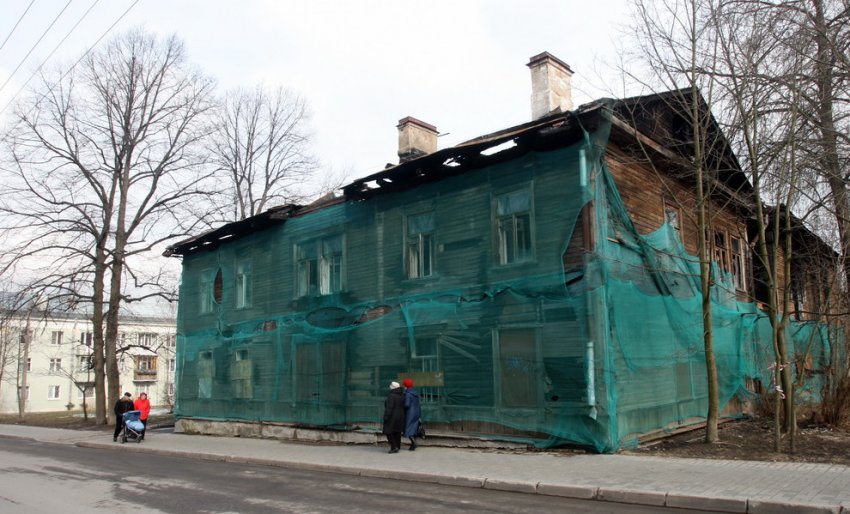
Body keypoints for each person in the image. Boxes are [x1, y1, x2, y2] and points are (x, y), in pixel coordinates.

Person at [382, 381, 405, 453]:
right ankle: (397, 446)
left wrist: (386, 416)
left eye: (391, 385)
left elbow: (389, 407)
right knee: (397, 431)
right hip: (400, 415)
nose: (390, 386)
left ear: (393, 387)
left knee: (388, 431)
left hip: (392, 416)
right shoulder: (402, 394)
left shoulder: (391, 395)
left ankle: (394, 446)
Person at [402, 378, 422, 451]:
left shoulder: (407, 393)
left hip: (410, 413)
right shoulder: (415, 392)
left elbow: (407, 404)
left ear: (406, 385)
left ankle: (414, 443)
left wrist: (402, 405)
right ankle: (413, 445)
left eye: (404, 385)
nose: (403, 386)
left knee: (408, 428)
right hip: (417, 412)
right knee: (414, 428)